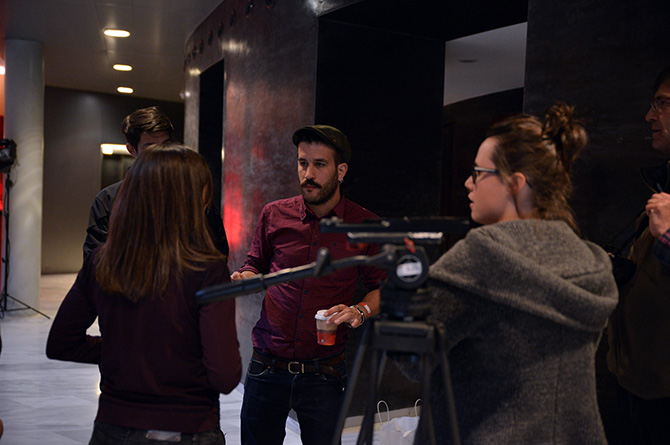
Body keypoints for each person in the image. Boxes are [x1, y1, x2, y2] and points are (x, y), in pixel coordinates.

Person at [418, 103, 618, 444]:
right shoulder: (588, 258)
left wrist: (402, 292)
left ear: (515, 183)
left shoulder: (483, 254)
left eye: (478, 172)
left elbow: (411, 352)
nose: (468, 183)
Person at [47, 144, 241, 444]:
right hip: (187, 426)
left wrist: (123, 351)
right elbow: (225, 375)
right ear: (192, 199)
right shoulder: (207, 269)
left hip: (113, 426)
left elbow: (61, 343)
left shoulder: (101, 261)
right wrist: (166, 355)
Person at [234, 125, 386, 445]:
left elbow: (382, 288)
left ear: (340, 171)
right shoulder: (274, 214)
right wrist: (245, 278)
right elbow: (254, 264)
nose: (308, 174)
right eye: (303, 163)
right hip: (267, 366)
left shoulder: (364, 225)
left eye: (319, 164)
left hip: (324, 373)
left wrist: (360, 310)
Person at [607, 66, 670, 444]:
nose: (650, 116)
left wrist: (668, 236)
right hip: (638, 384)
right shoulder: (662, 183)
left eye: (661, 104)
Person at [83, 106, 229, 258]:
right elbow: (94, 259)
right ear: (132, 150)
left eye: (165, 145)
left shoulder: (190, 192)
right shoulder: (109, 199)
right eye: (152, 148)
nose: (161, 153)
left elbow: (217, 251)